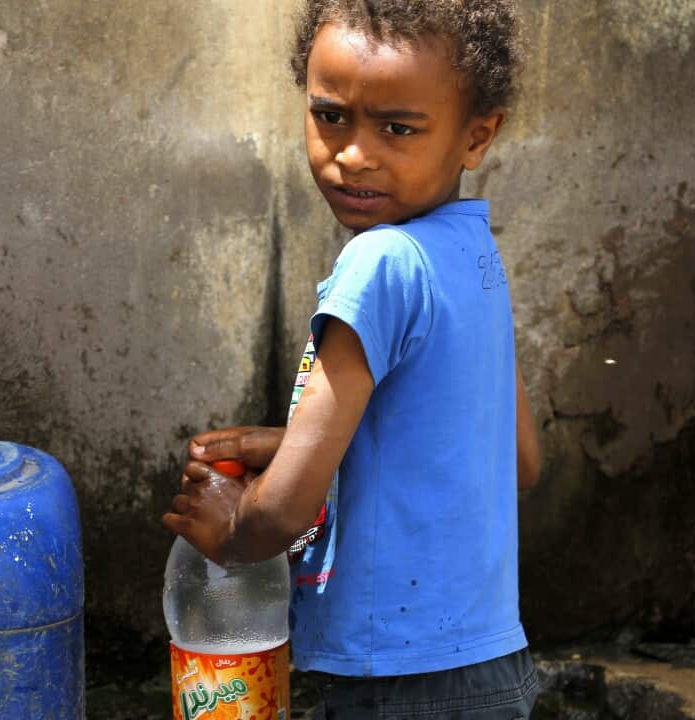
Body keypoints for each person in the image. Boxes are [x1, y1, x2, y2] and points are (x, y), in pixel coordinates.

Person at [162, 1, 542, 716]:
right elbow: (516, 458)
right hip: (488, 665)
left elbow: (282, 514)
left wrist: (235, 527)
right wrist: (296, 439)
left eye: (397, 128)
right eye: (331, 116)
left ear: (477, 134)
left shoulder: (379, 262)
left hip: (396, 679)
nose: (354, 153)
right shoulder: (473, 256)